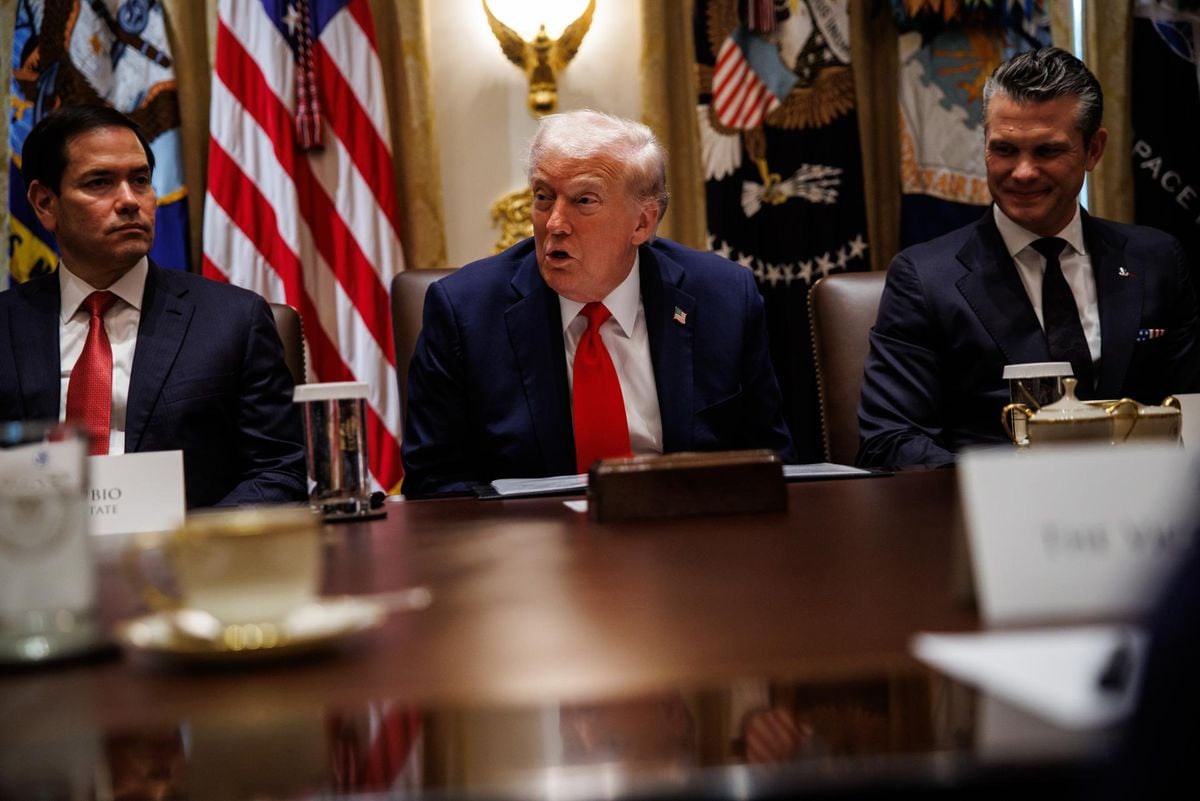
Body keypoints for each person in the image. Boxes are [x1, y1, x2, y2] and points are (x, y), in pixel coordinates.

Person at [402, 109, 794, 496]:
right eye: (543, 197)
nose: (554, 223)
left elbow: (773, 464)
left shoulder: (723, 298)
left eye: (583, 201)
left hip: (686, 541)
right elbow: (434, 487)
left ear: (642, 223)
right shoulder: (464, 311)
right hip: (530, 548)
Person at [857, 47, 1200, 470]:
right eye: (1004, 149)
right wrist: (1008, 494)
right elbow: (890, 440)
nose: (1021, 172)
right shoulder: (925, 278)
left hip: (1146, 515)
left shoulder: (1157, 260)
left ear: (1094, 149)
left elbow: (1189, 413)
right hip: (989, 520)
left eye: (1046, 152)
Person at [0, 105, 306, 508]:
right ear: (44, 203)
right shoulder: (6, 325)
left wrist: (188, 546)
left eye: (140, 180)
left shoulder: (232, 321)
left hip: (184, 561)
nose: (130, 200)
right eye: (99, 183)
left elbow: (279, 471)